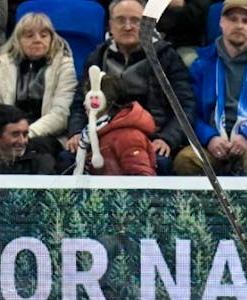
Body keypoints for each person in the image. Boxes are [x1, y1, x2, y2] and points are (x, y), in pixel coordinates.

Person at [66, 0, 194, 175]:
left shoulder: (167, 57)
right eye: (120, 20)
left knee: (161, 161)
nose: (128, 27)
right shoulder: (97, 58)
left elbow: (185, 107)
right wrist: (75, 132)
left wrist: (167, 139)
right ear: (110, 25)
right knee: (67, 157)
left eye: (136, 20)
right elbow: (80, 103)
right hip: (101, 136)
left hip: (152, 136)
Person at [173, 0, 247, 177]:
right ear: (221, 22)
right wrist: (209, 137)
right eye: (233, 19)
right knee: (187, 159)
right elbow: (189, 112)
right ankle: (204, 206)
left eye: (245, 21)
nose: (239, 26)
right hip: (211, 143)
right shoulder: (202, 64)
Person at [0, 12, 77, 163]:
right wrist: (6, 132)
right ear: (17, 40)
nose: (37, 40)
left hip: (45, 134)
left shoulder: (64, 65)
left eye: (44, 35)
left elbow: (60, 114)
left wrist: (25, 134)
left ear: (52, 39)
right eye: (29, 35)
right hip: (2, 133)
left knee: (37, 152)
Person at [78, 74, 157, 175]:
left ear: (106, 101)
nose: (84, 103)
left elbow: (141, 180)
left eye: (90, 98)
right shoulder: (93, 134)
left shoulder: (128, 137)